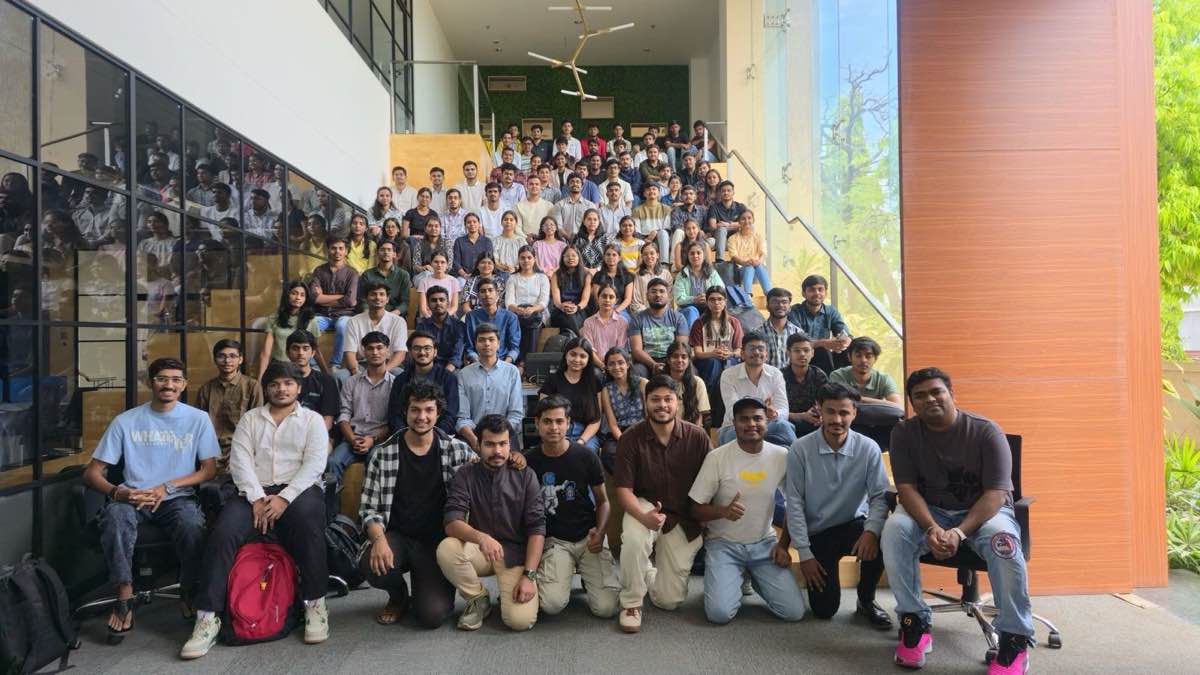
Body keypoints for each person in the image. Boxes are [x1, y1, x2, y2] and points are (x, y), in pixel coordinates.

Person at [883, 369, 1034, 672]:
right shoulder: (904, 433)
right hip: (931, 511)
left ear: (952, 393)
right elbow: (906, 488)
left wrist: (959, 534)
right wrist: (932, 528)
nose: (929, 399)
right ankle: (914, 622)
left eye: (936, 391)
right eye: (919, 396)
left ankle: (1014, 639)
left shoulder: (986, 431)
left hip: (984, 513)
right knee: (894, 530)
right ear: (912, 402)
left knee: (1002, 543)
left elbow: (995, 493)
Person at [182, 362, 330, 658]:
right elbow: (240, 462)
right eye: (275, 384)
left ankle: (315, 604)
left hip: (298, 490)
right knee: (223, 533)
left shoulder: (312, 420)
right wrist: (257, 498)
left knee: (308, 526)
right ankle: (207, 617)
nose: (281, 388)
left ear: (298, 388)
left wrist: (284, 498)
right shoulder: (251, 419)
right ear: (266, 389)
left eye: (288, 383)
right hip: (254, 492)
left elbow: (314, 464)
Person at [84, 358, 218, 643]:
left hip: (176, 498)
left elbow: (209, 469)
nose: (169, 384)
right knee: (114, 518)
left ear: (184, 384)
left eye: (175, 379)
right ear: (150, 382)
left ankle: (188, 588)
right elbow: (92, 473)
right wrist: (118, 492)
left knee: (193, 525)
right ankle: (124, 592)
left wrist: (167, 487)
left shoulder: (198, 419)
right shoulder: (126, 421)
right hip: (132, 497)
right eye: (161, 378)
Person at [359, 380, 473, 629]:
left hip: (437, 542)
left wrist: (516, 459)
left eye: (429, 410)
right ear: (405, 412)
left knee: (432, 616)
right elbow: (368, 509)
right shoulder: (383, 452)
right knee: (372, 563)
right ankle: (398, 595)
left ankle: (426, 591)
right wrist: (379, 541)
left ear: (438, 413)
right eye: (415, 410)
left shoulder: (457, 451)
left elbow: (489, 469)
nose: (422, 417)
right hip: (396, 535)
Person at [690, 397, 805, 625]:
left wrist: (783, 545)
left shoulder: (781, 456)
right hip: (724, 544)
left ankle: (753, 574)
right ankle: (733, 575)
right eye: (744, 419)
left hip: (764, 545)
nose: (751, 424)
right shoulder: (717, 458)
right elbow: (695, 509)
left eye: (757, 418)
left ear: (767, 421)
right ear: (734, 423)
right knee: (719, 615)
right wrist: (722, 512)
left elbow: (795, 504)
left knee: (794, 612)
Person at [786, 382, 891, 629]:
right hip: (818, 534)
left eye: (844, 412)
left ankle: (866, 600)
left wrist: (871, 531)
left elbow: (879, 496)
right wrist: (805, 553)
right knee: (824, 610)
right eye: (830, 411)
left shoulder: (868, 448)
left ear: (854, 413)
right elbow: (794, 503)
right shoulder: (800, 449)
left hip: (854, 526)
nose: (837, 419)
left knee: (887, 534)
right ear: (818, 410)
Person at [613, 376, 711, 632]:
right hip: (645, 505)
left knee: (669, 601)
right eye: (655, 399)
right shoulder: (630, 438)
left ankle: (646, 570)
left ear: (678, 403)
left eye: (668, 399)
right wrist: (643, 517)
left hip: (683, 515)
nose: (662, 405)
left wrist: (707, 518)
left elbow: (713, 483)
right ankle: (631, 601)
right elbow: (623, 490)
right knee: (634, 538)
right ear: (645, 403)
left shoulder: (698, 437)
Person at [437, 414, 545, 631]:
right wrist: (481, 537)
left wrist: (529, 576)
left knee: (519, 621)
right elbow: (451, 522)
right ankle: (478, 598)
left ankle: (518, 591)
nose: (497, 451)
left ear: (510, 445)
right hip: (481, 549)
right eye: (490, 444)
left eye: (503, 444)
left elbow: (537, 529)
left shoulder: (526, 475)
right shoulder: (466, 474)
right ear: (478, 444)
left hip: (514, 554)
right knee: (447, 549)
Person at [526, 396, 620, 618]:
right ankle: (557, 575)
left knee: (607, 609)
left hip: (588, 537)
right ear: (537, 423)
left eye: (559, 421)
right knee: (552, 605)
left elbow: (604, 501)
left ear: (568, 423)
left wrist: (601, 531)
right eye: (547, 421)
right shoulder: (528, 460)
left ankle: (591, 577)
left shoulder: (586, 456)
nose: (554, 427)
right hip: (554, 540)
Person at [327, 331, 396, 490]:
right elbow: (343, 415)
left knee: (375, 458)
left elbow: (394, 420)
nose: (375, 352)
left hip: (381, 440)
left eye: (380, 348)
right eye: (370, 348)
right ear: (363, 351)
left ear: (388, 351)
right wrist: (351, 439)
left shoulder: (395, 384)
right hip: (353, 437)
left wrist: (372, 439)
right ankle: (331, 511)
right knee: (332, 462)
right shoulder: (351, 382)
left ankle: (371, 511)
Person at [194, 340, 264, 477]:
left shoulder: (252, 386)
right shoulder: (206, 389)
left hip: (242, 450)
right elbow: (198, 426)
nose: (227, 361)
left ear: (241, 359)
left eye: (233, 356)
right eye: (222, 356)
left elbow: (258, 425)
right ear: (215, 359)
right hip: (211, 452)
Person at [718, 332, 797, 448]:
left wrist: (775, 414)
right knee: (729, 436)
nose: (756, 352)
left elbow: (784, 410)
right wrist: (762, 412)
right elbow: (732, 411)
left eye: (761, 349)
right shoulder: (728, 375)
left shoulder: (776, 374)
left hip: (767, 425)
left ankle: (797, 460)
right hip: (736, 427)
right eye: (751, 348)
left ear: (766, 354)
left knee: (785, 427)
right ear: (742, 353)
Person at [455, 323, 525, 452]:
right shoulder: (464, 374)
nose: (487, 344)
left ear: (498, 343)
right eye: (481, 340)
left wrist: (499, 439)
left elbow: (516, 414)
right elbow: (462, 417)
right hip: (474, 436)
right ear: (475, 344)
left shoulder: (512, 372)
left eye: (491, 340)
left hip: (505, 435)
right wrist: (475, 440)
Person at [828, 336, 904, 450]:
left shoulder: (883, 378)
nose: (863, 360)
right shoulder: (838, 375)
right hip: (851, 423)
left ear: (875, 358)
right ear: (849, 357)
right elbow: (839, 403)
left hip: (878, 424)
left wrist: (859, 398)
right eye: (858, 356)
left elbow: (898, 407)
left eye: (868, 356)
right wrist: (878, 404)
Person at [386, 330, 459, 436]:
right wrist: (405, 436)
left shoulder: (448, 378)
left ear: (435, 352)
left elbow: (451, 414)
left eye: (427, 348)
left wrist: (433, 436)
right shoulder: (401, 380)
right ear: (410, 352)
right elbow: (394, 414)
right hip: (406, 436)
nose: (422, 352)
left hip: (439, 436)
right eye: (417, 348)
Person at [537, 337, 602, 452]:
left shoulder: (594, 382)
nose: (577, 359)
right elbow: (542, 414)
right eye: (573, 354)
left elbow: (596, 419)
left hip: (585, 434)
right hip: (556, 431)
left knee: (584, 453)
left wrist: (581, 441)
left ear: (588, 359)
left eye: (582, 356)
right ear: (566, 355)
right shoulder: (552, 380)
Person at [339, 282, 408, 380]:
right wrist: (356, 372)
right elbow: (349, 352)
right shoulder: (353, 321)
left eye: (381, 294)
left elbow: (400, 353)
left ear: (387, 299)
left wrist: (383, 372)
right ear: (366, 299)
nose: (377, 297)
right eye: (373, 294)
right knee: (339, 376)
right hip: (361, 364)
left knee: (401, 376)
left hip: (389, 365)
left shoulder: (398, 321)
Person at [310, 236, 359, 372]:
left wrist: (323, 297)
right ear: (328, 250)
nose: (337, 251)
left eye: (341, 248)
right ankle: (312, 363)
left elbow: (350, 301)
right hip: (322, 315)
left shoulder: (352, 273)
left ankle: (335, 364)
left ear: (346, 251)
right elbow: (315, 298)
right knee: (310, 325)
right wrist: (341, 297)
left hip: (344, 315)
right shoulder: (319, 271)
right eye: (333, 248)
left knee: (343, 326)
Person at [258, 281, 326, 377]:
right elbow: (265, 353)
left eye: (302, 295)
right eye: (294, 293)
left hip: (301, 368)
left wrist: (326, 374)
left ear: (306, 299)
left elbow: (317, 351)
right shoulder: (274, 318)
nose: (298, 298)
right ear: (287, 295)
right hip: (279, 366)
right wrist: (260, 378)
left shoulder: (311, 320)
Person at [787, 274, 851, 375]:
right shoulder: (795, 311)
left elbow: (842, 330)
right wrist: (824, 343)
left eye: (820, 289)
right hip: (803, 354)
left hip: (827, 354)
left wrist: (844, 340)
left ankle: (847, 385)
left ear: (826, 292)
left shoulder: (831, 311)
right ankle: (829, 386)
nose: (817, 293)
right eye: (812, 290)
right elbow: (798, 341)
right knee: (822, 351)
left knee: (849, 349)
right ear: (804, 293)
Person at [627, 277, 688, 379]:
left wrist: (670, 364)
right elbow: (637, 350)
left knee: (692, 372)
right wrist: (653, 364)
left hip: (672, 360)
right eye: (653, 291)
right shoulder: (638, 318)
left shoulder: (678, 318)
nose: (658, 295)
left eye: (662, 291)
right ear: (647, 296)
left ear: (668, 296)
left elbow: (681, 347)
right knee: (635, 373)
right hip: (646, 362)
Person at [689, 286, 743, 390]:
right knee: (713, 362)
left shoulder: (734, 322)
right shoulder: (699, 323)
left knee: (730, 361)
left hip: (729, 358)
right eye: (712, 299)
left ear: (725, 301)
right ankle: (710, 397)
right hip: (706, 361)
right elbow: (698, 353)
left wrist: (730, 354)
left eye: (719, 299)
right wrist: (713, 354)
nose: (716, 303)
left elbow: (738, 351)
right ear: (707, 302)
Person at [505, 245, 550, 366]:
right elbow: (509, 302)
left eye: (529, 257)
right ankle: (522, 363)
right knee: (519, 319)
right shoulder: (513, 278)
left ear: (534, 259)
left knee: (532, 319)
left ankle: (524, 363)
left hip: (537, 312)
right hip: (517, 312)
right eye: (523, 258)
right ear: (518, 260)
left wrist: (532, 309)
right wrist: (518, 309)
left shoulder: (542, 278)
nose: (526, 261)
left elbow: (544, 302)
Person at [286, 330, 339, 431]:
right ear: (287, 352)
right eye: (295, 348)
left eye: (305, 348)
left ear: (313, 352)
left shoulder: (326, 381)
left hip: (317, 435)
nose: (301, 353)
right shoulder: (280, 383)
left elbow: (327, 421)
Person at [464, 278, 520, 363]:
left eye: (490, 290)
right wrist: (478, 363)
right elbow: (469, 348)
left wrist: (504, 365)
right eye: (483, 291)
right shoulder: (471, 317)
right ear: (478, 296)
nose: (487, 294)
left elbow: (514, 348)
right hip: (478, 362)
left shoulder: (510, 317)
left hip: (504, 361)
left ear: (497, 294)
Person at [782, 332, 827, 438]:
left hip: (814, 422)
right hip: (788, 423)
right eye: (797, 351)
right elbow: (776, 412)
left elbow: (826, 402)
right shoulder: (779, 376)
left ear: (812, 353)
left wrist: (820, 414)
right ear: (788, 353)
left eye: (806, 350)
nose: (802, 354)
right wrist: (802, 416)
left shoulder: (819, 375)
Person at [414, 285, 466, 371]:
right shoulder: (422, 326)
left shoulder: (459, 326)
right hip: (427, 368)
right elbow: (419, 352)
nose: (438, 303)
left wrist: (444, 374)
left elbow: (457, 355)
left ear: (448, 303)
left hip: (451, 369)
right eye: (434, 300)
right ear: (428, 304)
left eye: (442, 300)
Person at [673, 242, 724, 326]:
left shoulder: (712, 273)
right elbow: (678, 299)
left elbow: (721, 291)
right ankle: (692, 337)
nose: (695, 256)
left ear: (703, 255)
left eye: (698, 253)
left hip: (708, 306)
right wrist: (694, 299)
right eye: (692, 253)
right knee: (692, 310)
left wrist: (708, 298)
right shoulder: (682, 275)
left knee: (715, 309)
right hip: (687, 309)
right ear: (688, 256)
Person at [356, 239, 411, 318]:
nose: (386, 252)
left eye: (389, 250)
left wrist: (391, 315)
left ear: (394, 254)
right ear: (377, 253)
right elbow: (362, 300)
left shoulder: (403, 275)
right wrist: (369, 314)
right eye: (382, 250)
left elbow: (405, 302)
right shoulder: (367, 274)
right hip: (371, 314)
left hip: (394, 316)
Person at [580, 282, 629, 365]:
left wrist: (611, 366)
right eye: (604, 296)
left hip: (616, 365)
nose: (607, 300)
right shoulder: (589, 322)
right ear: (598, 298)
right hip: (596, 364)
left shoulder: (622, 322)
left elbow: (620, 349)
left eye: (611, 297)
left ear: (616, 301)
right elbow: (590, 350)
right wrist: (602, 366)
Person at [665, 341, 711, 428]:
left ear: (689, 360)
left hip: (691, 431)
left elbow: (700, 416)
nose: (679, 360)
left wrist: (693, 436)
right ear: (668, 360)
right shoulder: (660, 383)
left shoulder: (697, 383)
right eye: (675, 356)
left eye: (684, 357)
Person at [549, 246, 592, 336]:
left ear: (578, 257)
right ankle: (580, 341)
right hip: (560, 309)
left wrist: (577, 307)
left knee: (571, 318)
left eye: (573, 255)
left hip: (580, 309)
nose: (570, 258)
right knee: (568, 316)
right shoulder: (556, 275)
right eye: (567, 256)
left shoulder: (586, 275)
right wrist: (562, 306)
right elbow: (556, 300)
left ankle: (572, 343)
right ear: (563, 258)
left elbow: (585, 300)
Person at [727, 209, 771, 295]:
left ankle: (768, 294)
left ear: (753, 220)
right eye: (743, 219)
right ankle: (748, 294)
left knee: (757, 265)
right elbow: (734, 256)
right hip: (740, 270)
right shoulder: (732, 239)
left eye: (749, 218)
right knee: (749, 267)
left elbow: (763, 253)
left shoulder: (759, 236)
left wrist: (759, 262)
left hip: (758, 268)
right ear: (739, 222)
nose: (747, 221)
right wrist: (745, 262)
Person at [762, 287, 805, 370]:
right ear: (767, 306)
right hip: (766, 380)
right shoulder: (758, 333)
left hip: (791, 380)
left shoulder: (798, 333)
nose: (780, 305)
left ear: (790, 307)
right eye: (775, 302)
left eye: (784, 302)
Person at [589, 245, 634, 318]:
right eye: (608, 254)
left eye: (614, 255)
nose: (611, 257)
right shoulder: (598, 275)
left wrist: (616, 310)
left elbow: (628, 299)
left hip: (621, 309)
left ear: (619, 258)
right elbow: (596, 297)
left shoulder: (627, 276)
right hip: (602, 308)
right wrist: (606, 310)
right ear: (604, 257)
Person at [631, 183, 672, 262]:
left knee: (663, 233)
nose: (651, 191)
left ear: (659, 192)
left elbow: (668, 229)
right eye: (648, 189)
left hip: (660, 238)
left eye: (654, 189)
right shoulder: (637, 210)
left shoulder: (666, 209)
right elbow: (636, 231)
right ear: (644, 193)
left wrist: (655, 232)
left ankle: (664, 263)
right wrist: (648, 238)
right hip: (644, 239)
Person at [705, 180, 746, 260]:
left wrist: (727, 225)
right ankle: (719, 260)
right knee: (720, 230)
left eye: (728, 190)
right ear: (720, 193)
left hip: (736, 239)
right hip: (719, 240)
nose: (726, 193)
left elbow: (746, 224)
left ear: (733, 192)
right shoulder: (714, 207)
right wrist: (736, 225)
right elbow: (713, 226)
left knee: (751, 228)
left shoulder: (740, 207)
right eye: (723, 191)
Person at [630, 241, 673, 314]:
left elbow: (670, 298)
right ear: (642, 257)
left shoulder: (666, 274)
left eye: (652, 253)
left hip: (663, 313)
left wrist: (659, 311)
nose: (649, 256)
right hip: (643, 314)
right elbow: (635, 301)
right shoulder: (638, 276)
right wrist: (648, 312)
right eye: (645, 254)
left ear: (658, 255)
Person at [451, 213, 493, 279]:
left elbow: (489, 261)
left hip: (483, 275)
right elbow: (456, 263)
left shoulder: (487, 241)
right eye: (469, 222)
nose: (472, 224)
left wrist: (482, 274)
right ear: (465, 225)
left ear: (479, 224)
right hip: (463, 276)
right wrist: (465, 275)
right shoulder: (459, 241)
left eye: (474, 222)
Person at [552, 174, 595, 239]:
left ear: (582, 186)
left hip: (585, 241)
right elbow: (558, 226)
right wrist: (569, 239)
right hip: (564, 242)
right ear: (568, 186)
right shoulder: (559, 205)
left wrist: (582, 240)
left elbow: (593, 225)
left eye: (578, 182)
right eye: (572, 182)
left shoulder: (590, 206)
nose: (575, 184)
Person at [572, 208, 608, 273]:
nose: (592, 222)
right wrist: (585, 269)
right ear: (584, 221)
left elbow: (609, 258)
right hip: (581, 271)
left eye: (595, 219)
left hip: (601, 272)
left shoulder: (605, 238)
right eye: (589, 219)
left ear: (599, 222)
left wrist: (597, 270)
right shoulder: (577, 238)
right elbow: (573, 257)